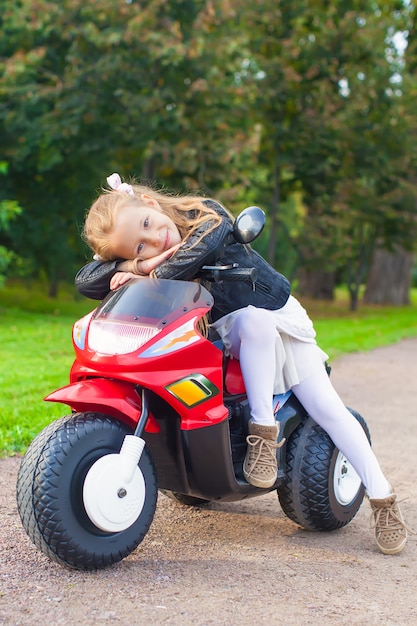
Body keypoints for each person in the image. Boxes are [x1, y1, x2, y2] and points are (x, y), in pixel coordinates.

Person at [75, 172, 412, 555]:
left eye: (148, 225)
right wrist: (131, 267)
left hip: (277, 317)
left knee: (327, 408)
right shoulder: (147, 254)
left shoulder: (207, 217)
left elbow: (192, 255)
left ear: (150, 205)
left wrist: (142, 266)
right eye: (139, 246)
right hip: (223, 329)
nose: (154, 240)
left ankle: (378, 495)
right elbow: (86, 280)